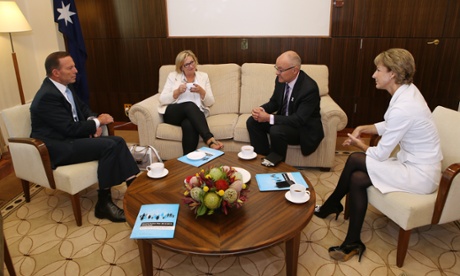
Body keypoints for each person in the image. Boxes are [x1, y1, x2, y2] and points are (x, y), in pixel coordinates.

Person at [314, 48, 442, 262]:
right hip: (411, 164)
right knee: (357, 178)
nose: (374, 74)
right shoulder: (407, 92)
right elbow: (392, 124)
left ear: (392, 74)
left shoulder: (405, 106)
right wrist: (363, 127)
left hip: (421, 175)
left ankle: (332, 204)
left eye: (378, 69)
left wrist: (359, 144)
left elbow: (380, 154)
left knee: (355, 158)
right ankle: (352, 239)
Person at [30, 51, 140, 223]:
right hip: (57, 146)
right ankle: (103, 204)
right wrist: (97, 122)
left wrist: (93, 122)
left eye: (74, 66)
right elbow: (68, 129)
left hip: (71, 138)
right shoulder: (47, 97)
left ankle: (134, 190)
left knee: (118, 141)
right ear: (55, 73)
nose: (76, 70)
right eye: (70, 67)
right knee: (109, 146)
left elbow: (83, 109)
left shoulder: (66, 87)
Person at [246, 50, 324, 161]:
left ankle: (275, 164)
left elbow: (298, 120)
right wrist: (261, 109)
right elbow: (275, 102)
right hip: (284, 122)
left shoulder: (309, 88)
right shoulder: (281, 80)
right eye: (276, 68)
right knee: (253, 121)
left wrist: (268, 118)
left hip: (301, 129)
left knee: (276, 130)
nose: (277, 73)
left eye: (281, 70)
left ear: (295, 70)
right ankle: (261, 157)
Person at [158, 50, 223, 155]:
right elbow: (162, 99)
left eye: (192, 62)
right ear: (181, 67)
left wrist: (201, 91)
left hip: (194, 115)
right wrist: (177, 92)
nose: (191, 66)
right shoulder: (173, 76)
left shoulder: (203, 76)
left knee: (189, 124)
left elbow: (210, 102)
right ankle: (209, 139)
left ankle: (188, 162)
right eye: (186, 64)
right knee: (189, 105)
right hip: (174, 113)